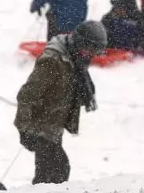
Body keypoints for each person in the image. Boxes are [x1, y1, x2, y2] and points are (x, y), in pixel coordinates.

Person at [14, 21, 107, 184]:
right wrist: (25, 129)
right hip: (40, 126)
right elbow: (26, 95)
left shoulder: (74, 60)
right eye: (89, 50)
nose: (91, 56)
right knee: (56, 171)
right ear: (79, 43)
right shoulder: (53, 61)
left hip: (54, 126)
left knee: (54, 172)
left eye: (94, 52)